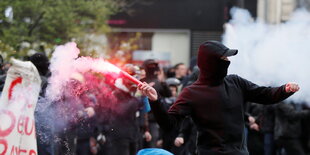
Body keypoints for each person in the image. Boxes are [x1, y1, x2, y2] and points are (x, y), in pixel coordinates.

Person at [138, 40, 300, 155]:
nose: (228, 61)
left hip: (240, 153)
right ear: (211, 62)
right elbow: (169, 125)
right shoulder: (191, 92)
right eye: (224, 58)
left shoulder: (235, 82)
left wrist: (284, 90)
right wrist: (155, 101)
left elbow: (265, 94)